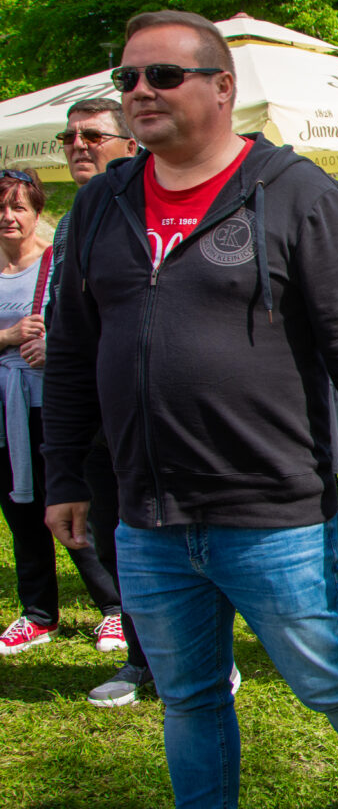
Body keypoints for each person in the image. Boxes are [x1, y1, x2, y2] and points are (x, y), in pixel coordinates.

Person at [42, 10, 338, 809]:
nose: (139, 91)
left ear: (222, 88)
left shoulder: (295, 192)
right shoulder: (103, 204)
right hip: (148, 514)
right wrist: (64, 474)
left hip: (272, 510)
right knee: (188, 696)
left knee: (324, 677)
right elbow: (74, 349)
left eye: (163, 75)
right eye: (127, 77)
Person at [44, 97, 159, 706]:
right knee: (116, 539)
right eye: (69, 138)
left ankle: (201, 657)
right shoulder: (74, 220)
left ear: (130, 143)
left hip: (148, 410)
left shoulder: (143, 212)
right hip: (87, 406)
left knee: (166, 542)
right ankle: (142, 658)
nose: (78, 146)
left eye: (92, 135)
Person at [0, 167, 123, 660]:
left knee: (73, 507)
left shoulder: (57, 263)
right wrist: (8, 337)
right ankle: (38, 613)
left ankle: (113, 606)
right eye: (0, 208)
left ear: (37, 213)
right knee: (20, 512)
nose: (8, 217)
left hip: (53, 406)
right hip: (3, 412)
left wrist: (52, 344)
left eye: (18, 207)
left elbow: (87, 321)